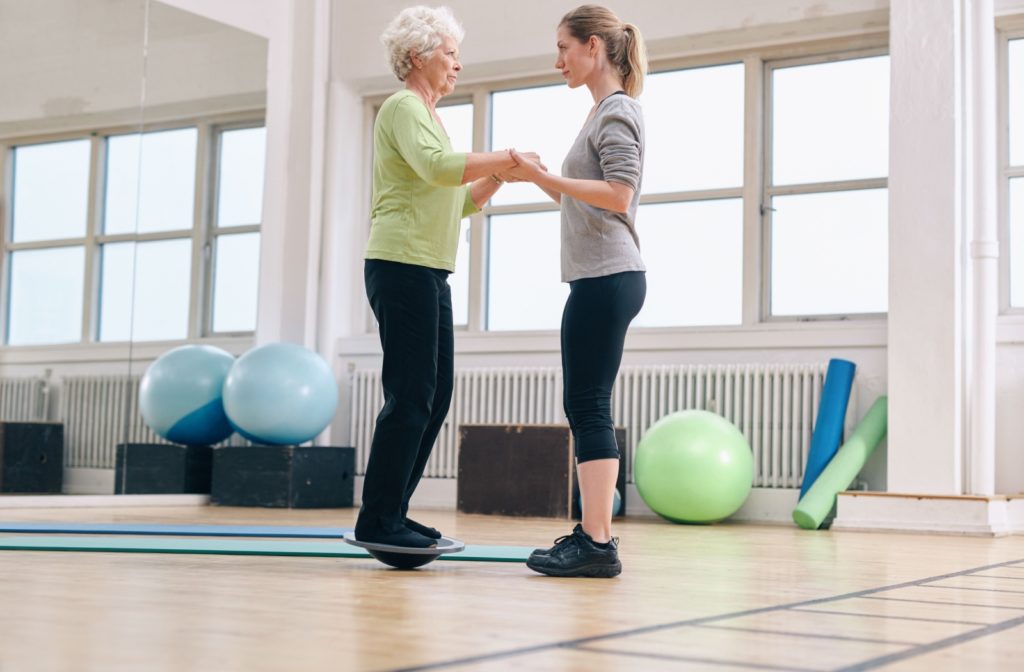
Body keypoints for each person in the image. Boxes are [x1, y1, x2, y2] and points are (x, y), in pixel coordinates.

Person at [356, 5, 541, 548]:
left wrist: (502, 178)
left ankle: (394, 512)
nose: (458, 65)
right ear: (417, 56)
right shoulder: (403, 106)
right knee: (411, 395)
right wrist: (504, 155)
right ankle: (379, 520)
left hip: (429, 271)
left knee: (434, 397)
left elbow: (455, 200)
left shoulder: (431, 118)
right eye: (450, 53)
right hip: (401, 264)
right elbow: (440, 168)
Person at [507, 5, 647, 577]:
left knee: (588, 406)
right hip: (601, 276)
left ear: (593, 47)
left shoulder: (617, 111)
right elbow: (584, 198)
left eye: (563, 47)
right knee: (584, 404)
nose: (557, 59)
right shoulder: (601, 113)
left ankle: (596, 542)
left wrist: (547, 178)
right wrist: (539, 181)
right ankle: (595, 536)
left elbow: (619, 193)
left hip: (608, 276)